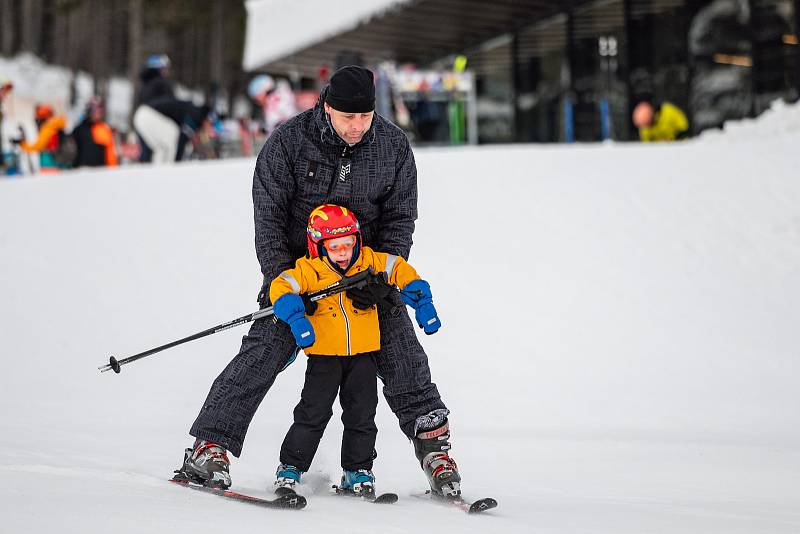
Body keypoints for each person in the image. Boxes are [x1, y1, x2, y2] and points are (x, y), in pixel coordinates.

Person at [175, 65, 462, 498]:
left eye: (365, 117)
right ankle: (209, 447)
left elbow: (401, 218)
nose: (357, 127)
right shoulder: (288, 143)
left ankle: (435, 449)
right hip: (299, 277)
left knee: (402, 352)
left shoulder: (393, 146)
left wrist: (384, 273)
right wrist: (283, 284)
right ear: (326, 107)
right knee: (262, 353)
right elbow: (268, 221)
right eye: (348, 118)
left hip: (365, 273)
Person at [268, 204, 441, 497]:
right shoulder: (310, 271)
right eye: (334, 246)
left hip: (363, 357)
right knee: (313, 413)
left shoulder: (367, 262)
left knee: (362, 415)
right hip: (324, 357)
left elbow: (397, 267)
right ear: (318, 245)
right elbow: (281, 287)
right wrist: (297, 317)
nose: (344, 252)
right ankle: (290, 468)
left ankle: (357, 470)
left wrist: (422, 299)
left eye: (349, 244)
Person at [132, 95, 210, 164]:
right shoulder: (196, 115)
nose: (210, 128)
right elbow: (181, 139)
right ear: (207, 118)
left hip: (140, 115)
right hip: (148, 114)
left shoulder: (192, 110)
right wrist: (177, 164)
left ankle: (157, 175)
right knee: (172, 141)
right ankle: (169, 173)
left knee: (161, 148)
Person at [136, 54, 175, 162]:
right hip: (158, 122)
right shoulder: (162, 83)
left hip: (141, 122)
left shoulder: (144, 84)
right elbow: (170, 104)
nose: (167, 71)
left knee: (146, 153)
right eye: (165, 68)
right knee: (164, 149)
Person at [18, 104, 70, 173]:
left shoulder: (48, 128)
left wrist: (23, 145)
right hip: (60, 160)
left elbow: (38, 146)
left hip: (49, 161)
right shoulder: (57, 126)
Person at [72, 97, 118, 168]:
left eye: (100, 110)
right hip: (80, 171)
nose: (98, 113)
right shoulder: (79, 129)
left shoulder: (104, 129)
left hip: (100, 172)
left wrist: (113, 170)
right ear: (89, 111)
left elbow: (110, 154)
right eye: (95, 110)